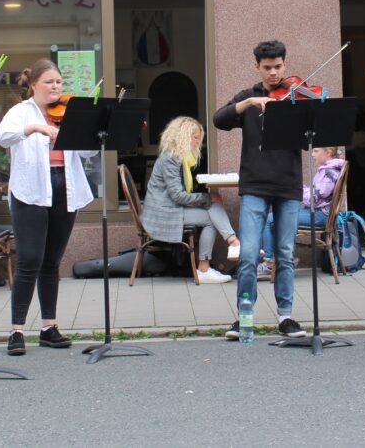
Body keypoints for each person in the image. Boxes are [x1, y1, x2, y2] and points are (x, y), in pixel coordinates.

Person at [0, 59, 97, 356]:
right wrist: (35, 127)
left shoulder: (67, 113)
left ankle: (48, 327)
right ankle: (16, 331)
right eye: (50, 82)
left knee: (52, 261)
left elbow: (87, 151)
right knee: (29, 260)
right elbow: (1, 137)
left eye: (59, 83)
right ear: (34, 85)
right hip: (30, 191)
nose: (55, 87)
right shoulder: (21, 112)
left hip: (65, 188)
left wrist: (91, 129)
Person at [213, 40, 307, 340]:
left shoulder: (295, 97)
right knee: (249, 255)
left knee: (285, 253)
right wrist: (249, 104)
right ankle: (244, 317)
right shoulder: (249, 97)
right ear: (258, 67)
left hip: (288, 184)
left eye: (278, 66)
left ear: (285, 64)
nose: (273, 73)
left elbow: (310, 134)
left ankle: (286, 317)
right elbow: (220, 119)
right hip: (254, 184)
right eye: (267, 68)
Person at [141, 116, 241, 284]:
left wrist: (207, 199)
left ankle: (228, 248)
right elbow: (178, 196)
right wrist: (206, 197)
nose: (197, 143)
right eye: (195, 138)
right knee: (211, 215)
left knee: (213, 206)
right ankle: (212, 261)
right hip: (163, 214)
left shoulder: (178, 158)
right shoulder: (171, 159)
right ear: (183, 136)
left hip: (170, 209)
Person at [259, 146, 345, 278]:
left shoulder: (329, 171)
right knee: (280, 215)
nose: (312, 154)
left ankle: (270, 262)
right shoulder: (328, 169)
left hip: (319, 216)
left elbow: (313, 199)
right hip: (320, 213)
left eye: (316, 151)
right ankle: (287, 257)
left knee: (268, 219)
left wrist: (297, 187)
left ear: (328, 153)